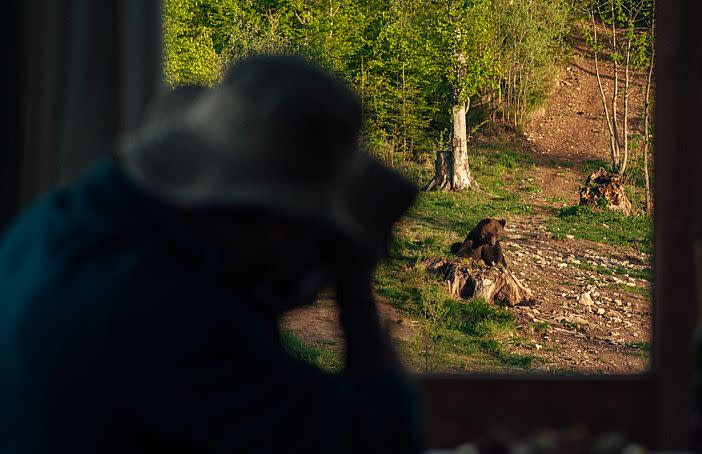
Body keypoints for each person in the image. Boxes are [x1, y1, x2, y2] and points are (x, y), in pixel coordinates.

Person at [0, 55, 422, 453]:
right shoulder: (172, 312)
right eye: (315, 236)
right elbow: (383, 438)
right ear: (274, 221)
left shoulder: (61, 221)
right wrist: (355, 295)